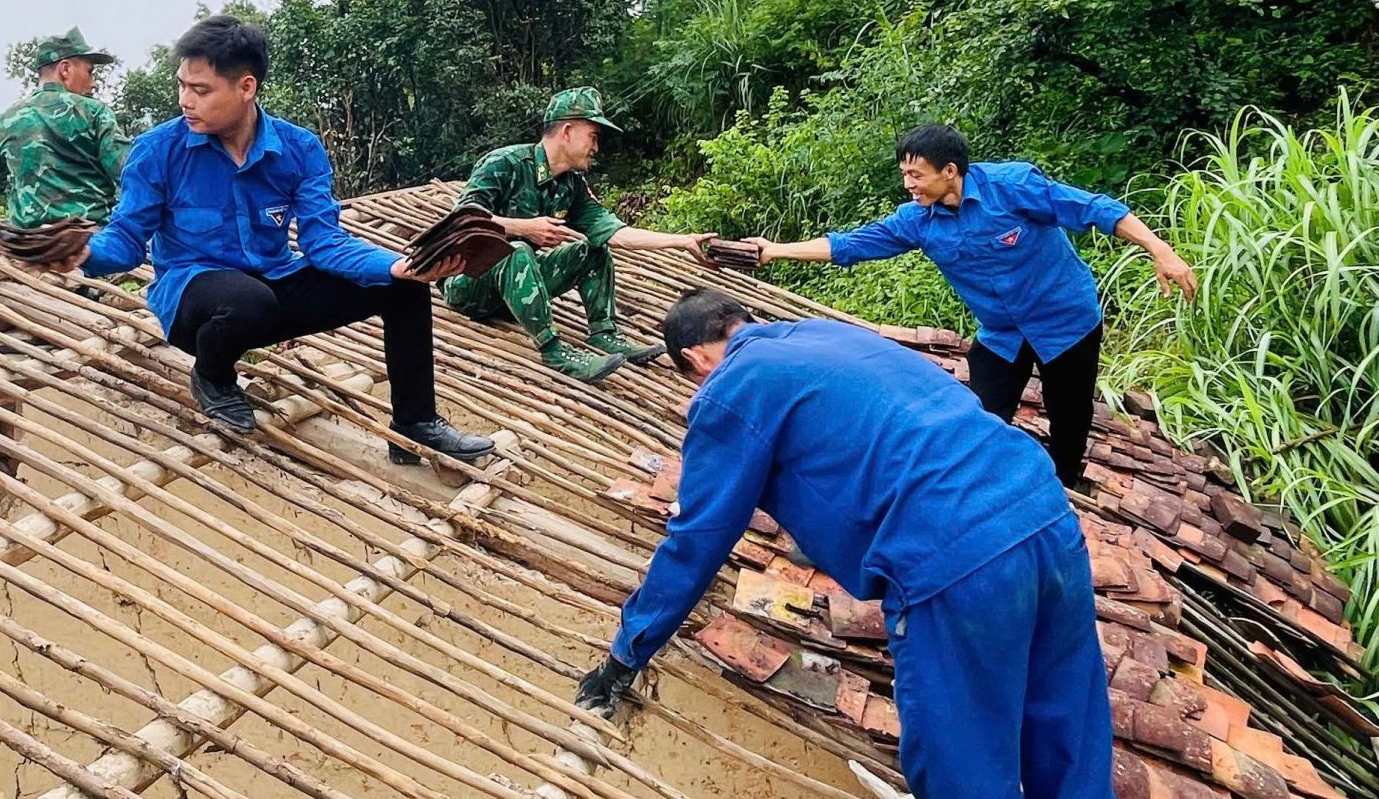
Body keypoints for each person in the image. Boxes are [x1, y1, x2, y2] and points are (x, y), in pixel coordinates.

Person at [576, 289, 1113, 799]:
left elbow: (697, 538)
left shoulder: (733, 386)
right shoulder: (828, 337)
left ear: (693, 359)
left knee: (963, 759)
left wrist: (627, 652)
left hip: (955, 554)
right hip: (1043, 514)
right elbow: (871, 442)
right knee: (1067, 731)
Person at [56, 14, 493, 465]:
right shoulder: (159, 150)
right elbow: (127, 240)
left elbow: (324, 242)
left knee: (403, 287)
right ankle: (212, 375)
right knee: (247, 300)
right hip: (198, 301)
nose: (185, 100)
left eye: (201, 90)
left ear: (246, 87)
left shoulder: (298, 148)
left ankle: (414, 425)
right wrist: (84, 250)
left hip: (274, 285)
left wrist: (396, 266)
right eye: (182, 85)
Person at [743, 123, 1195, 486]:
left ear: (951, 171)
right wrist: (777, 249)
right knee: (979, 415)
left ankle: (1064, 489)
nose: (908, 186)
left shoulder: (1012, 187)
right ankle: (980, 488)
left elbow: (1097, 208)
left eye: (916, 175)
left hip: (1066, 321)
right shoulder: (917, 220)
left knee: (1070, 417)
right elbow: (854, 244)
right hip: (1002, 333)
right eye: (905, 174)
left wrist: (1161, 249)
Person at [443, 87, 714, 383]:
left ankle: (604, 332)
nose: (596, 148)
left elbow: (616, 233)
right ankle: (554, 350)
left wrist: (682, 240)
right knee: (517, 249)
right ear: (568, 131)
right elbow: (462, 220)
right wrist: (524, 227)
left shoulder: (571, 185)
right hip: (469, 285)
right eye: (593, 136)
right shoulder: (504, 163)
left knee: (593, 250)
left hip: (515, 291)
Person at [0, 26, 133, 228]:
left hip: (29, 239)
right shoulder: (95, 112)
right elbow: (127, 171)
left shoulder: (3, 121)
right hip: (90, 234)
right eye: (89, 71)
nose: (92, 83)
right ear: (65, 69)